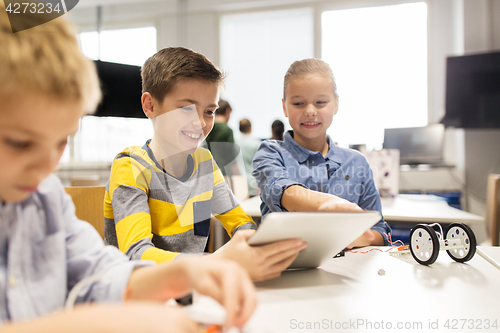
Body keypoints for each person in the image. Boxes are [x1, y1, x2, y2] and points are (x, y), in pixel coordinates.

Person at [0, 6, 256, 332]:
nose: (47, 166)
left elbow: (97, 274)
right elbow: (135, 254)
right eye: (20, 143)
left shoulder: (45, 198)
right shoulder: (132, 166)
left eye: (62, 141)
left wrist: (185, 274)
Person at [104, 47, 307, 282]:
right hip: (140, 299)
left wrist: (257, 248)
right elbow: (137, 256)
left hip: (194, 292)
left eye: (209, 111)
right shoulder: (131, 167)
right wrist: (216, 262)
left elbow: (240, 223)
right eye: (185, 108)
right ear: (150, 105)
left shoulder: (204, 163)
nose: (200, 122)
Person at [252, 59, 391, 248]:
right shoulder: (270, 153)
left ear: (336, 104)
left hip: (347, 272)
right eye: (299, 103)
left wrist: (360, 238)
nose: (310, 111)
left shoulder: (357, 162)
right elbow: (283, 191)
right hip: (287, 270)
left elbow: (379, 230)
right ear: (285, 107)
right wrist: (325, 205)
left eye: (320, 102)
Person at [204, 99, 239, 176]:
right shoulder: (227, 130)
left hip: (208, 171)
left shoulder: (208, 128)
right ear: (227, 111)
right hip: (223, 173)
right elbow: (231, 157)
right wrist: (237, 174)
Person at [237, 119, 261, 197]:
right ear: (250, 128)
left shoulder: (234, 143)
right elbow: (260, 166)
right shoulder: (255, 144)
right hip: (254, 184)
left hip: (239, 184)